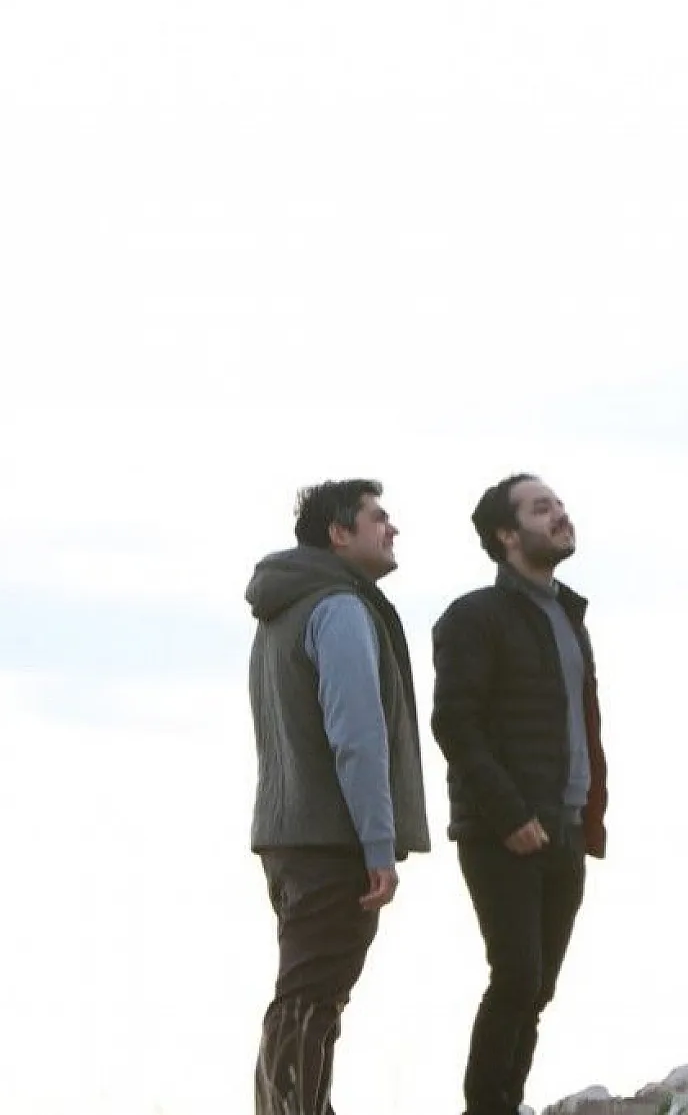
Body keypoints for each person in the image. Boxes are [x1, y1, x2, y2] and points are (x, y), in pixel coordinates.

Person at [244, 478, 432, 1115]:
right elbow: (358, 736)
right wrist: (379, 845)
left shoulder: (281, 609)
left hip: (287, 837)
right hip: (331, 841)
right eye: (378, 517)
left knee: (303, 996)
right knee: (311, 1002)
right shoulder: (338, 609)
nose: (392, 528)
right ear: (338, 532)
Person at [431, 473, 609, 1115]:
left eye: (560, 503)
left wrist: (586, 813)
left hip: (564, 825)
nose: (560, 514)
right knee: (516, 977)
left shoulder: (567, 612)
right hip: (500, 830)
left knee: (538, 988)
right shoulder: (475, 616)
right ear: (507, 535)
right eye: (542, 509)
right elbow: (453, 721)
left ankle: (508, 1102)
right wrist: (508, 815)